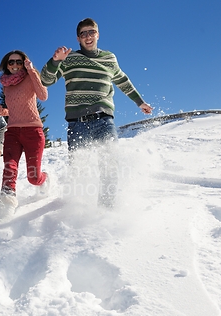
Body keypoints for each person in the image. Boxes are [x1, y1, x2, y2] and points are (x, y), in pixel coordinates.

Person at [40, 17, 153, 208]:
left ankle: (105, 211)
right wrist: (55, 61)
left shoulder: (109, 58)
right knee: (79, 169)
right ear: (78, 38)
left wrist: (139, 102)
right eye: (83, 33)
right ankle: (79, 209)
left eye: (91, 32)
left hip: (104, 120)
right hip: (77, 122)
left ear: (98, 34)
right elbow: (45, 81)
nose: (88, 36)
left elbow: (123, 81)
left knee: (110, 166)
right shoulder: (70, 58)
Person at [0, 50, 49, 219]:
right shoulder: (6, 84)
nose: (15, 65)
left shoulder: (30, 77)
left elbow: (43, 96)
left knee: (33, 177)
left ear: (24, 62)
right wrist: (4, 111)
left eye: (19, 62)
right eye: (11, 62)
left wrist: (32, 71)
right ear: (6, 65)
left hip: (33, 131)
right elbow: (17, 107)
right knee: (9, 167)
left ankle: (44, 179)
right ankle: (7, 204)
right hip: (13, 132)